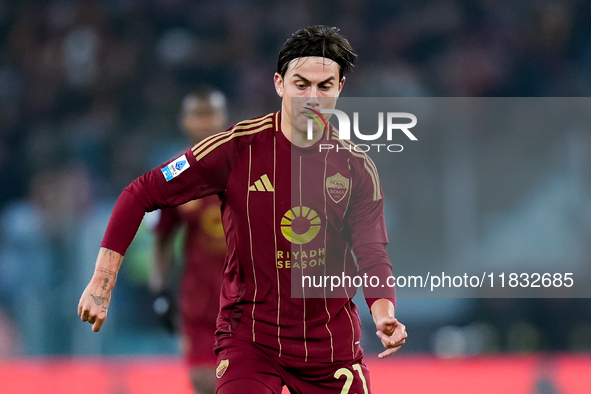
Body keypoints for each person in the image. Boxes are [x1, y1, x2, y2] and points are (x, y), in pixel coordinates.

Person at [78, 25, 407, 393]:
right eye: (301, 84)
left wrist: (384, 314)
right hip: (251, 341)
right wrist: (102, 282)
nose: (312, 97)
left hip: (330, 348)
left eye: (324, 86)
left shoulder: (357, 168)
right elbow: (140, 192)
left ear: (339, 88)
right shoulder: (234, 149)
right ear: (279, 84)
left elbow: (372, 253)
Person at [149, 88, 229, 394]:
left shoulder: (247, 168)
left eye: (211, 115)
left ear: (224, 119)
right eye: (198, 115)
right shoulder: (173, 176)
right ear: (184, 121)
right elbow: (163, 240)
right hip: (199, 303)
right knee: (204, 383)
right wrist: (159, 291)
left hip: (247, 303)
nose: (205, 123)